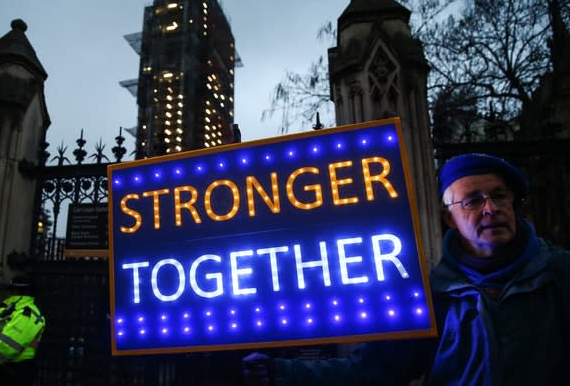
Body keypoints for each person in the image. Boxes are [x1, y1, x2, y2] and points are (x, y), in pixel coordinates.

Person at [243, 153, 570, 385]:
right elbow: (372, 371)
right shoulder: (430, 298)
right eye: (472, 201)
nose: (491, 208)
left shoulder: (560, 274)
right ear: (448, 218)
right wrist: (282, 373)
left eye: (500, 196)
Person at [0, 275, 46, 386]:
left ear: (18, 290)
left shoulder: (26, 314)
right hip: (3, 369)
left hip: (14, 372)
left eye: (11, 290)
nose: (9, 293)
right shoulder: (13, 309)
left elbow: (8, 347)